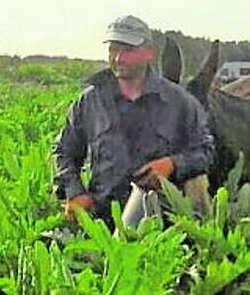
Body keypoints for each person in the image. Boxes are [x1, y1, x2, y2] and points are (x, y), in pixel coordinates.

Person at [52, 15, 214, 223]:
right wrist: (74, 192)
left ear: (149, 53)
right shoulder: (90, 101)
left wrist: (172, 164)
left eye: (128, 50)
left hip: (163, 223)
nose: (118, 58)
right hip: (102, 220)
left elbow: (204, 152)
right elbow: (64, 151)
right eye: (113, 50)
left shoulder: (179, 102)